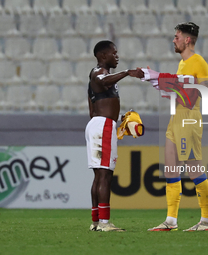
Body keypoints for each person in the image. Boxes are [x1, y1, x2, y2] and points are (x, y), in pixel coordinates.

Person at [142, 22, 208, 231]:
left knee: (194, 171)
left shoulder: (198, 62)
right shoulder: (183, 64)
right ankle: (171, 221)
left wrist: (189, 90)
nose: (173, 40)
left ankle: (206, 221)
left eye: (176, 36)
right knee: (171, 169)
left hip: (189, 119)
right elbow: (181, 89)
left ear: (187, 40)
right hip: (176, 117)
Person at [85, 40, 144, 232]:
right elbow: (103, 81)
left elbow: (98, 106)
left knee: (99, 176)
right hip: (103, 126)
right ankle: (104, 222)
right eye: (114, 53)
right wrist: (127, 72)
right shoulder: (99, 73)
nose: (117, 56)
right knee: (105, 176)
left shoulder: (98, 76)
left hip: (99, 124)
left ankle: (96, 221)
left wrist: (120, 118)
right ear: (103, 56)